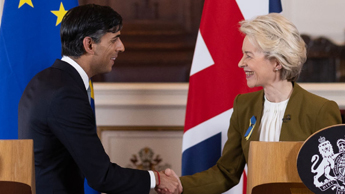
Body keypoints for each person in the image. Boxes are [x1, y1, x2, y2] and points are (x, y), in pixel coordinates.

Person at [159, 13, 343, 194]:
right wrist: (180, 185)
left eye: (248, 55)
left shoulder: (320, 110)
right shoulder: (244, 106)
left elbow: (336, 180)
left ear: (277, 62)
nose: (240, 63)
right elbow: (226, 172)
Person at [18, 4, 181, 194]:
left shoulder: (45, 80)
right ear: (89, 45)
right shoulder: (66, 94)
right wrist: (157, 178)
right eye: (114, 39)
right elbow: (102, 177)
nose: (121, 47)